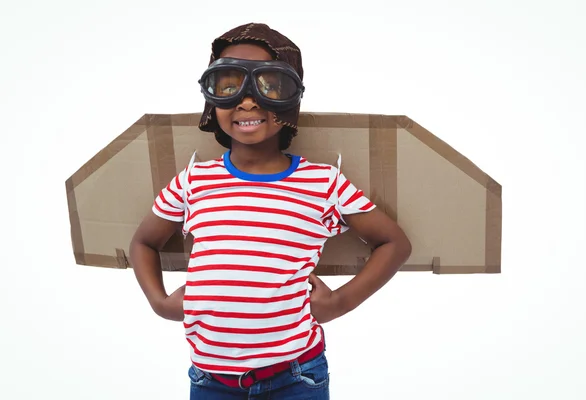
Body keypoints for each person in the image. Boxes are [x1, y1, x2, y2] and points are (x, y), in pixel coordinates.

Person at [129, 22, 412, 400]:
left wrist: (340, 302)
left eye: (268, 85)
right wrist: (160, 303)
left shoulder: (322, 183)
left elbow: (394, 243)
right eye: (228, 86)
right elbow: (143, 242)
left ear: (290, 97)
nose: (247, 101)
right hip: (210, 378)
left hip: (295, 377)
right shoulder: (195, 180)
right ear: (212, 100)